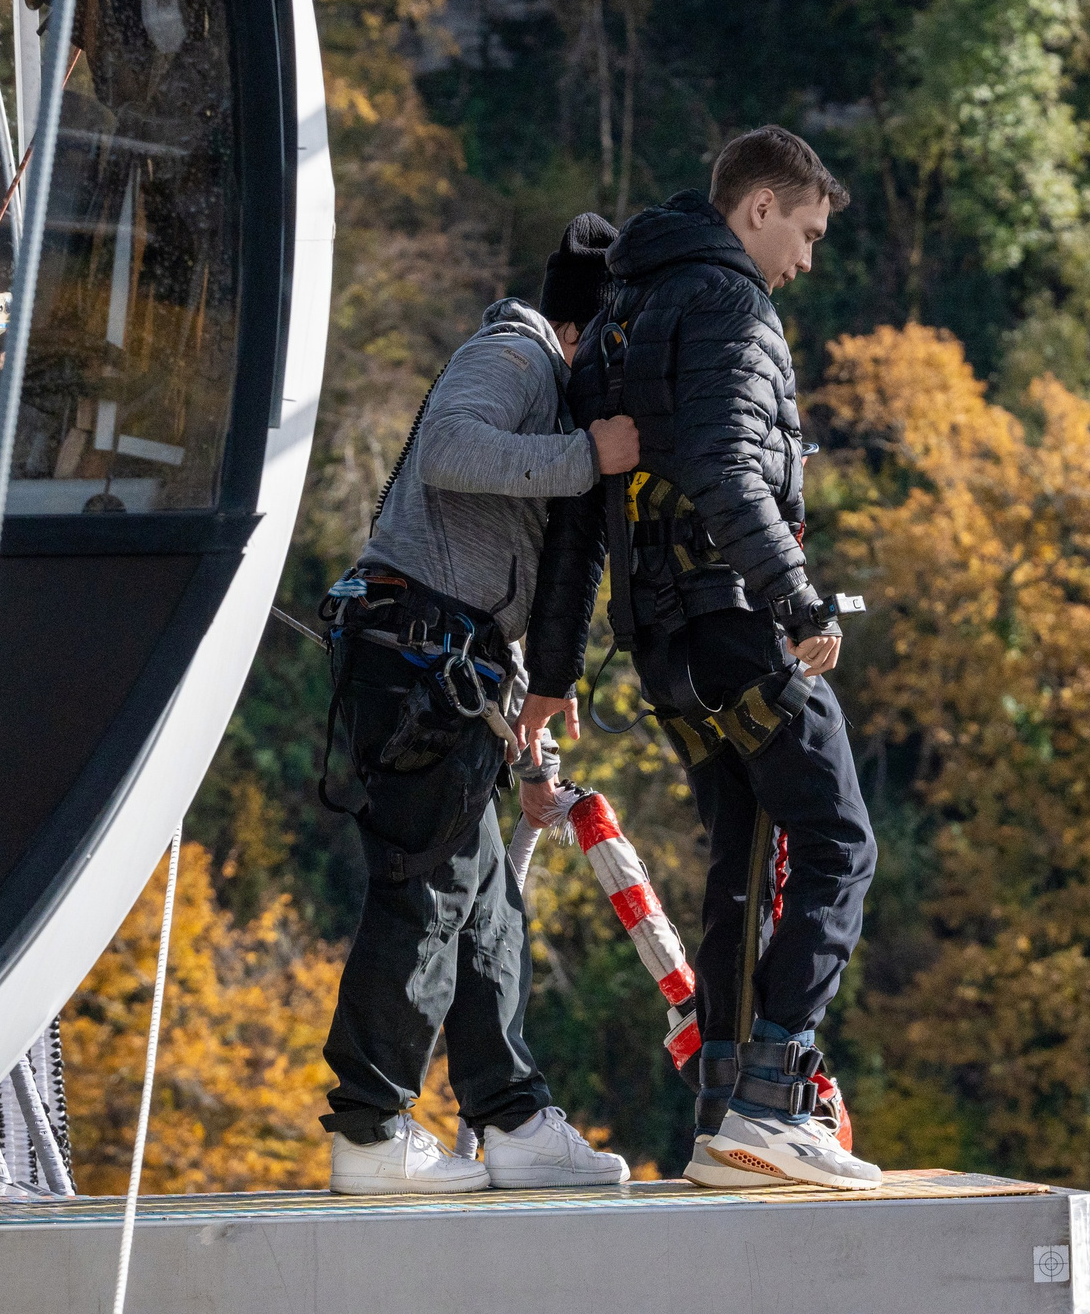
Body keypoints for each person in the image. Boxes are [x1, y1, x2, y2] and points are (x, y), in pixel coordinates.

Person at [523, 127, 880, 1192]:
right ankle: (772, 1104)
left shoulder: (624, 310)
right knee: (837, 845)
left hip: (662, 650)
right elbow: (729, 467)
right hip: (732, 622)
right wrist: (797, 599)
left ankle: (724, 1114)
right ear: (760, 206)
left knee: (742, 855)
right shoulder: (730, 305)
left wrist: (556, 671)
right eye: (805, 232)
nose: (805, 261)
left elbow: (581, 518)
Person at [318, 215, 644, 1194]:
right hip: (418, 656)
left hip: (447, 667)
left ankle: (510, 1117)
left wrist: (531, 758)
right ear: (587, 333)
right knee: (430, 893)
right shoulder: (514, 351)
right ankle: (372, 1131)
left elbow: (495, 586)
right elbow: (452, 450)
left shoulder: (539, 378)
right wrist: (590, 453)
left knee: (485, 907)